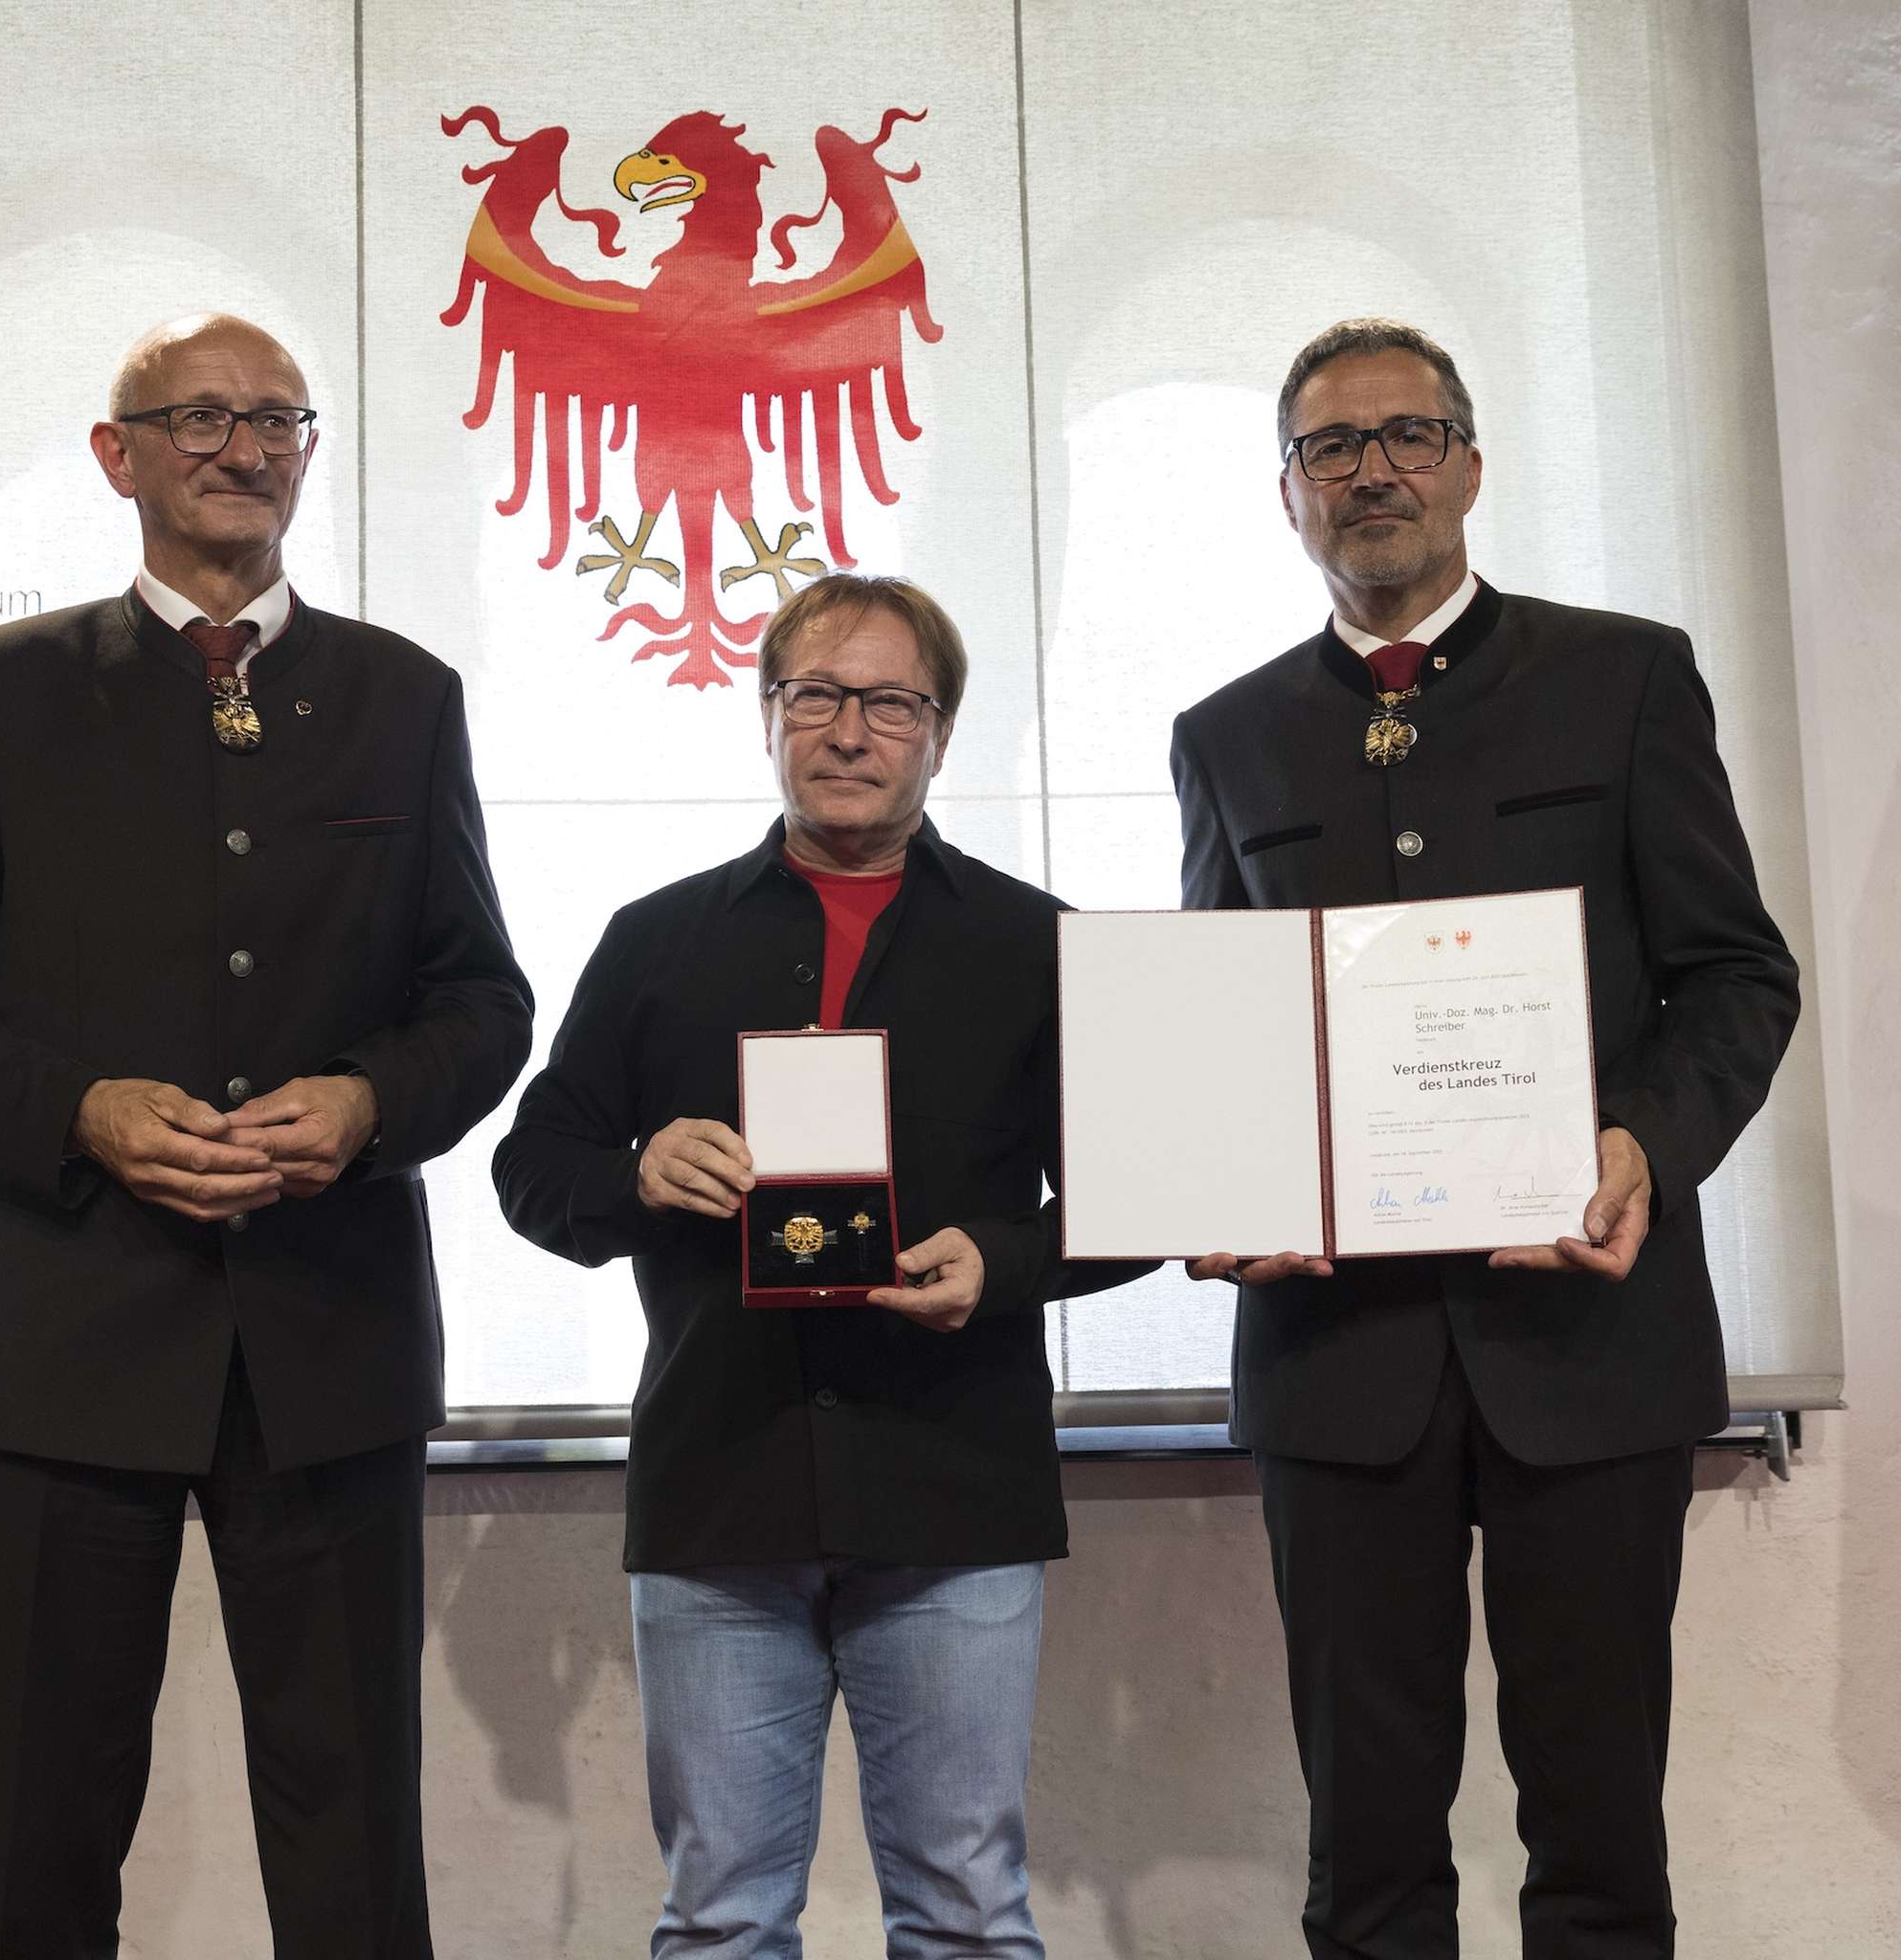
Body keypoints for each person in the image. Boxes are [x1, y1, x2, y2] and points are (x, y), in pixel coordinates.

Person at [0, 311, 531, 1959]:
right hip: (59, 1346)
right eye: (201, 415)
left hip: (328, 1346)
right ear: (116, 455)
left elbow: (482, 1006)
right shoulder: (6, 696)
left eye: (279, 418)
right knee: (38, 1843)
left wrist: (364, 1107)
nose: (243, 446)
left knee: (356, 1850)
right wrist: (77, 1111)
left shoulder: (403, 699)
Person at [1168, 318, 1800, 1959]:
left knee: (1596, 1831)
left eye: (1406, 434)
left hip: (1585, 1341)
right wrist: (1221, 1180)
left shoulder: (1625, 676)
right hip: (1333, 1353)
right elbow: (1230, 1015)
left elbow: (1736, 977)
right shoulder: (1225, 736)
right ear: (1287, 494)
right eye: (1329, 446)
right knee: (1366, 1851)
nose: (1369, 469)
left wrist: (1643, 1148)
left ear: (1467, 463)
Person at [494, 573, 1148, 1960]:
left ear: (941, 733)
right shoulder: (657, 938)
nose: (851, 731)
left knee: (968, 1910)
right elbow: (531, 1171)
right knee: (721, 1915)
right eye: (817, 696)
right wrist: (634, 1171)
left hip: (952, 1484)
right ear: (769, 716)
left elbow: (1141, 1198)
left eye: (890, 703)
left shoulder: (1040, 943)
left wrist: (1009, 1259)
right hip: (721, 1483)